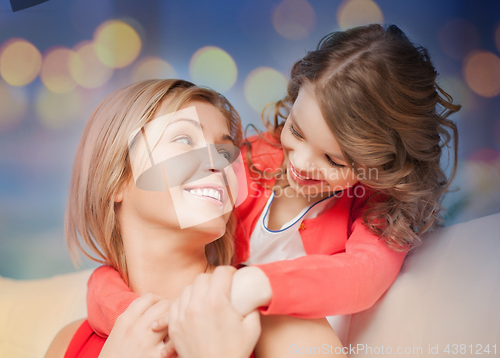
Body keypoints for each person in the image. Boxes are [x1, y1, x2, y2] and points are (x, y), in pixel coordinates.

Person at [86, 24, 461, 355]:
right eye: (296, 131)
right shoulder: (255, 160)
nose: (300, 162)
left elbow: (362, 276)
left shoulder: (376, 211)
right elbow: (115, 269)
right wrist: (146, 320)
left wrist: (253, 284)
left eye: (334, 160)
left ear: (383, 166)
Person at [44, 79, 345, 358]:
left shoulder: (280, 317)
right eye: (185, 140)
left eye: (225, 151)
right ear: (116, 180)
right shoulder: (68, 343)